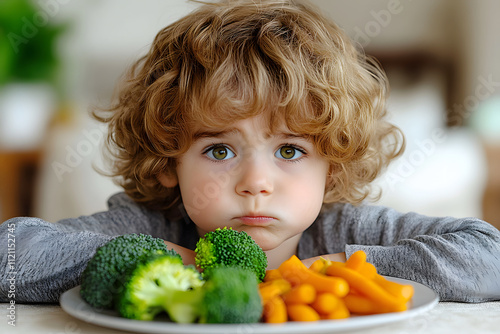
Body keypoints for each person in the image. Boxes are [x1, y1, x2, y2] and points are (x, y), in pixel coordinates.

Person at [1, 0, 500, 304]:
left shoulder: (345, 229)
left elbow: (489, 256)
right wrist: (167, 260)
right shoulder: (152, 226)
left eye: (289, 151)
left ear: (333, 164)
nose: (255, 182)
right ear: (170, 161)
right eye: (219, 151)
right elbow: (10, 255)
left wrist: (331, 269)